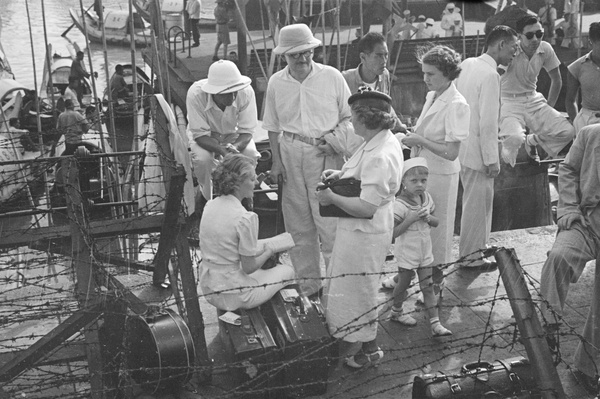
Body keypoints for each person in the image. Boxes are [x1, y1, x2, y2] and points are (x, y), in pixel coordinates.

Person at [263, 23, 354, 297]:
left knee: (330, 222)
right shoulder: (276, 82)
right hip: (290, 152)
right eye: (295, 55)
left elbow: (349, 117)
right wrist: (276, 163)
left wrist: (334, 141)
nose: (302, 59)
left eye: (306, 53)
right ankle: (309, 287)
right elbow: (271, 125)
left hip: (325, 154)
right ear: (284, 56)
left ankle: (339, 285)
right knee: (298, 224)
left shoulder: (332, 76)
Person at [316, 88, 402, 369]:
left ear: (365, 119)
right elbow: (364, 175)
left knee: (358, 289)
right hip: (359, 233)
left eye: (353, 117)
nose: (350, 122)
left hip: (365, 233)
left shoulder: (380, 154)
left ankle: (361, 347)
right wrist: (341, 175)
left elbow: (367, 207)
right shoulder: (378, 141)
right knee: (352, 286)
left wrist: (331, 197)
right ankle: (363, 340)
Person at [385, 46, 469, 299]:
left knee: (437, 231)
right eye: (424, 73)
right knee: (415, 225)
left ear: (447, 73)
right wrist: (413, 137)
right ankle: (405, 274)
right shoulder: (433, 96)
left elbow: (452, 152)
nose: (425, 79)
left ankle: (435, 284)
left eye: (430, 74)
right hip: (422, 170)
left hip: (442, 175)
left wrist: (420, 139)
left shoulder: (457, 104)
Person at [539, 124, 600, 393]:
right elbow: (568, 169)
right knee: (558, 257)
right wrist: (567, 208)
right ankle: (546, 329)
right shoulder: (590, 134)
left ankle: (586, 366)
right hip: (585, 221)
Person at [455, 26, 519, 269]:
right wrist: (493, 159)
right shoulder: (491, 75)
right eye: (513, 47)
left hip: (463, 146)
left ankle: (477, 247)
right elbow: (488, 122)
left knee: (479, 201)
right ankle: (470, 258)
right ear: (501, 44)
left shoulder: (468, 64)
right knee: (477, 204)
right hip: (478, 151)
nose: (515, 53)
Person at [199, 154, 295, 311]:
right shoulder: (245, 217)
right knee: (287, 271)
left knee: (260, 271)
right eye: (252, 179)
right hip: (235, 294)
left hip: (209, 287)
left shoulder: (210, 205)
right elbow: (249, 267)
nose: (256, 182)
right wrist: (268, 251)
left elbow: (228, 246)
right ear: (238, 184)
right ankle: (270, 318)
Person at [499, 15, 574, 166]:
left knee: (568, 132)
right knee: (514, 140)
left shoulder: (545, 48)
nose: (535, 39)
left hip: (534, 100)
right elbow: (494, 77)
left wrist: (549, 106)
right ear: (519, 36)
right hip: (509, 102)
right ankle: (507, 161)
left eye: (539, 34)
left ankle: (531, 142)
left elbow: (557, 79)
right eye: (530, 35)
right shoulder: (511, 50)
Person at [388, 157, 451, 336]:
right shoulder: (399, 204)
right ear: (403, 182)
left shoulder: (426, 197)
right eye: (414, 181)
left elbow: (436, 222)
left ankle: (435, 323)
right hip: (407, 251)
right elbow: (392, 233)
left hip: (425, 250)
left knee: (428, 286)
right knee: (404, 283)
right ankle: (396, 311)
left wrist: (427, 218)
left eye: (423, 181)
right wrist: (411, 219)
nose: (419, 185)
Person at [186, 60, 261, 205]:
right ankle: (207, 197)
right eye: (226, 93)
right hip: (206, 136)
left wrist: (235, 148)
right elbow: (200, 134)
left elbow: (247, 130)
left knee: (250, 155)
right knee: (203, 160)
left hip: (235, 135)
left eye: (234, 92)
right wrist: (222, 151)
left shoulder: (246, 92)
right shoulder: (195, 94)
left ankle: (245, 196)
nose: (232, 97)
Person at [342, 32, 406, 133]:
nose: (384, 61)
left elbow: (386, 106)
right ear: (363, 57)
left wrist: (401, 127)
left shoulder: (384, 74)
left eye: (386, 55)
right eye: (379, 56)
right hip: (352, 137)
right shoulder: (345, 79)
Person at [565, 22, 600, 135]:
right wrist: (577, 125)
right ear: (591, 42)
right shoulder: (576, 67)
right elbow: (570, 100)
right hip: (587, 120)